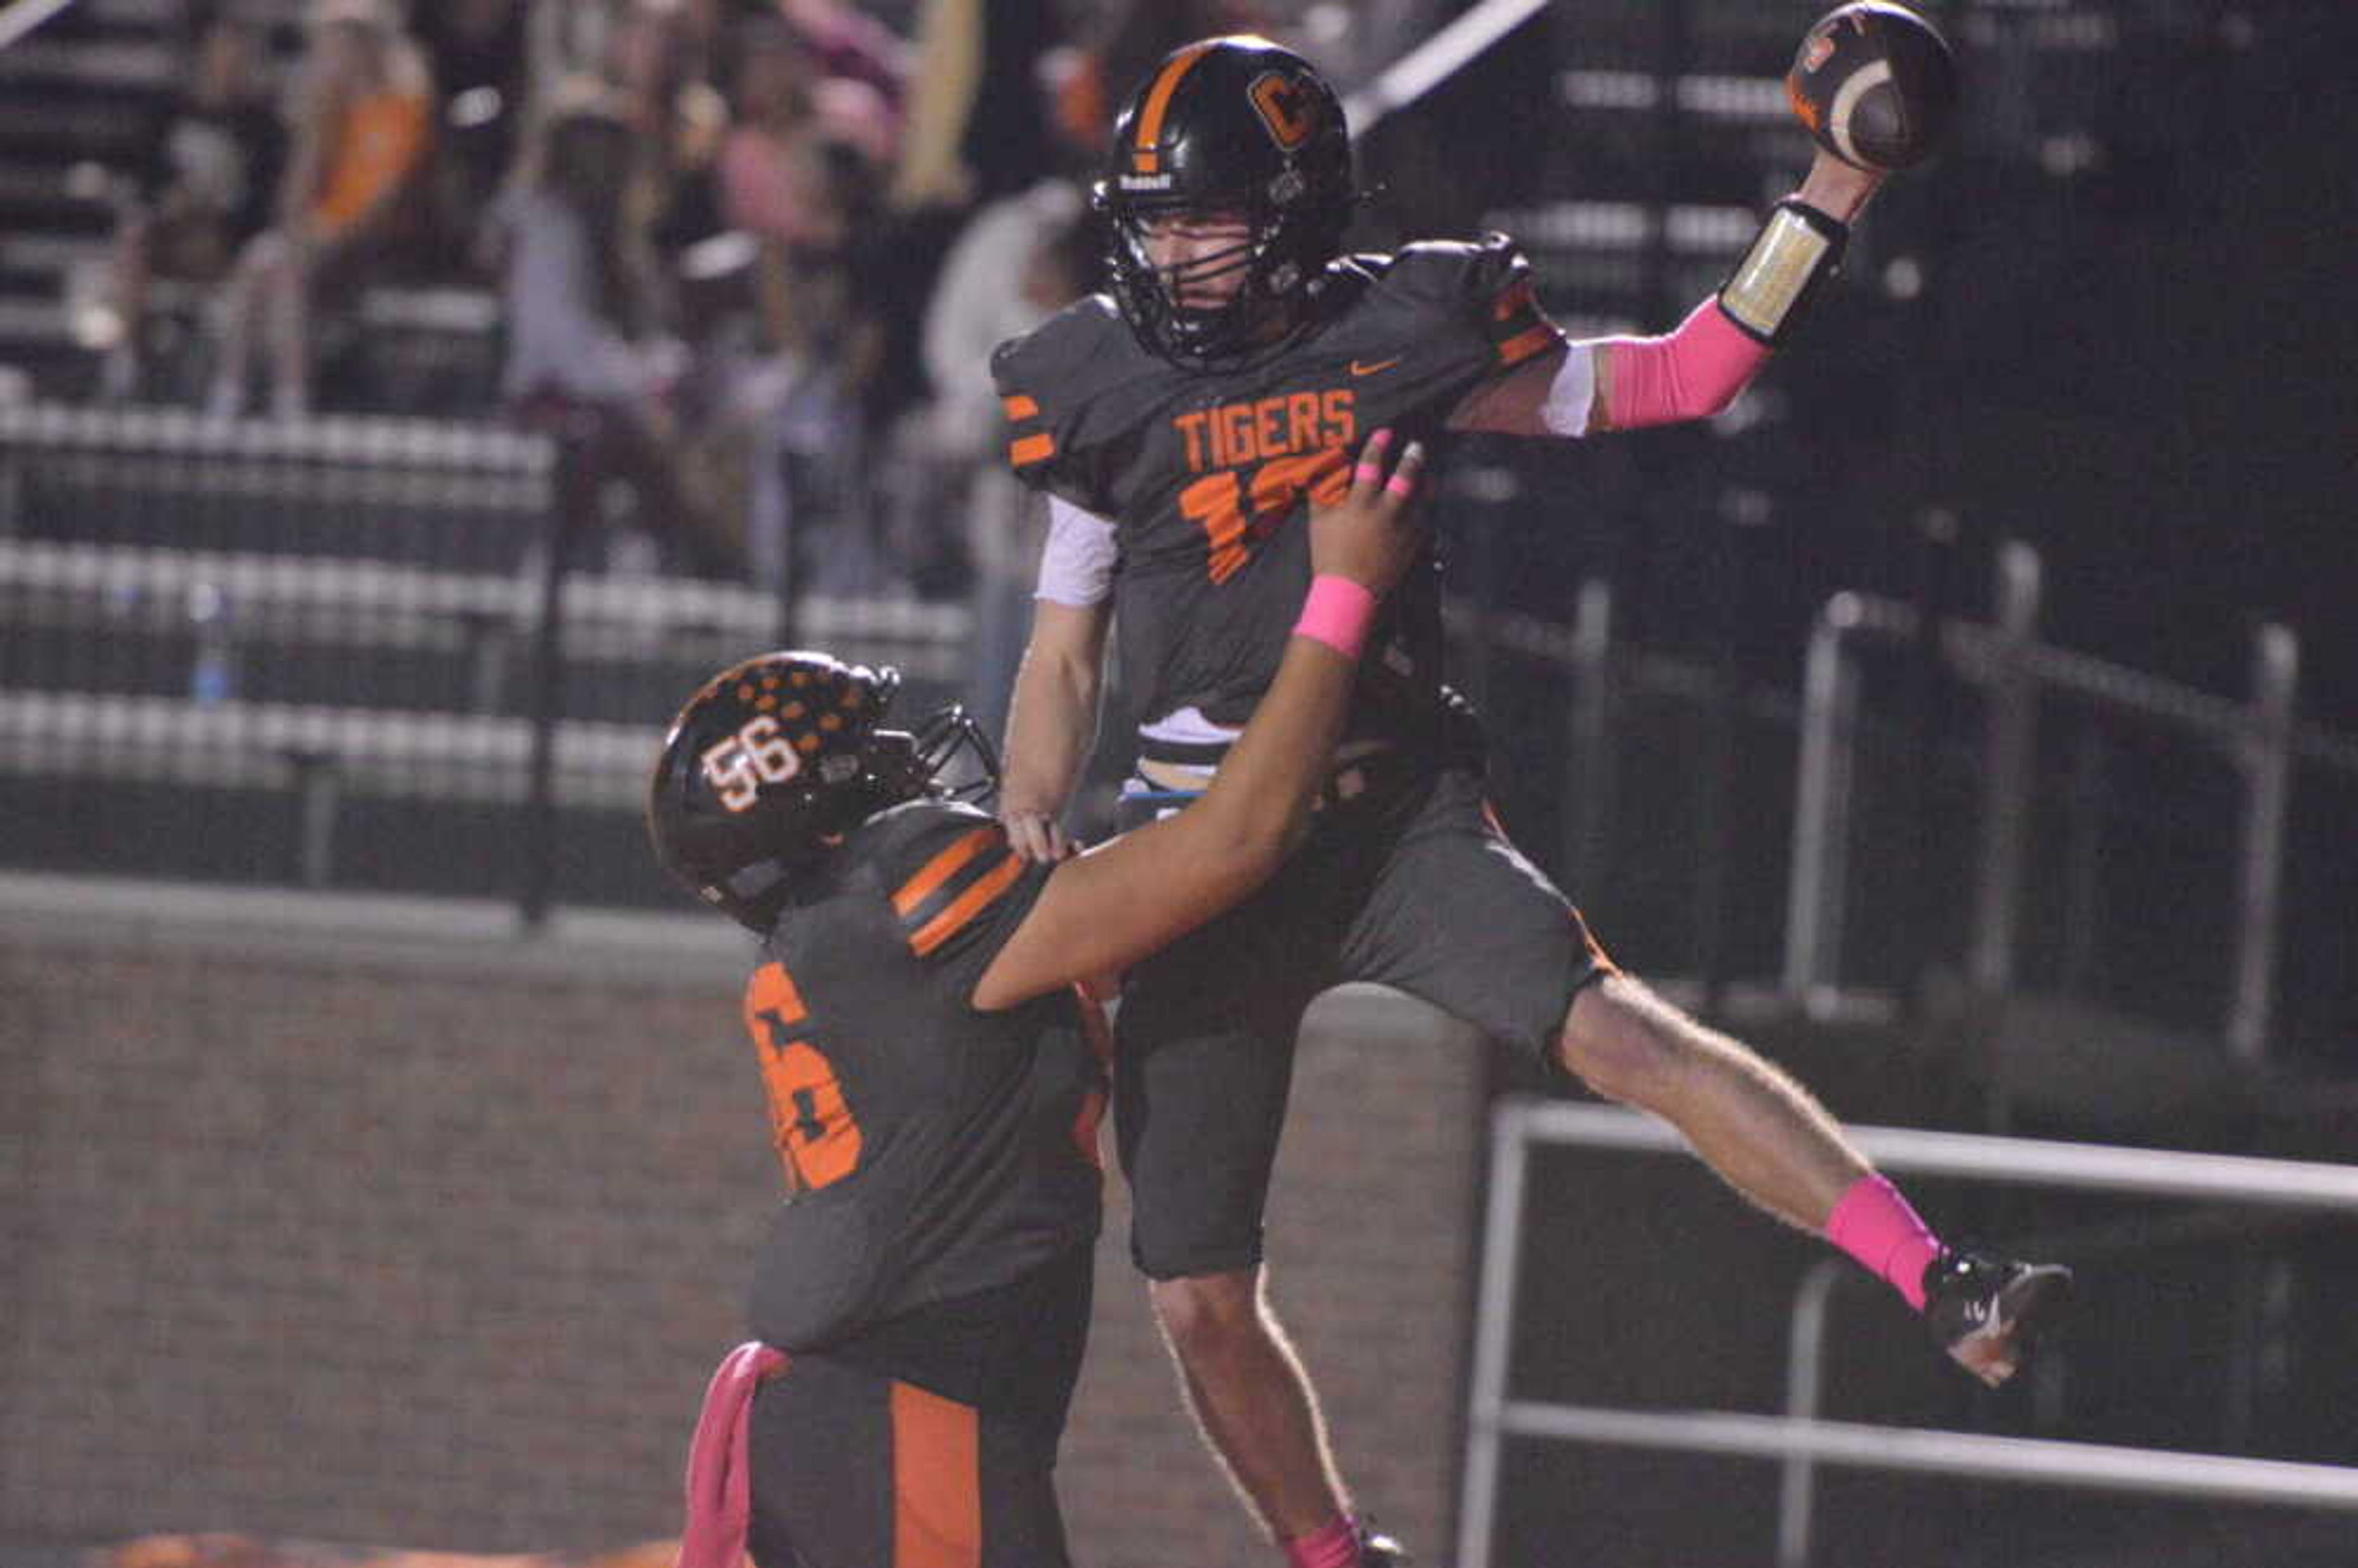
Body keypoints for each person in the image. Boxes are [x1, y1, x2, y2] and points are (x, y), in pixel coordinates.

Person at [987, 32, 2074, 1568]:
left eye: (1203, 218)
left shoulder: (1402, 325)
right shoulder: (1088, 376)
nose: (1169, 249)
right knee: (1191, 1290)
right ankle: (1326, 1549)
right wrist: (1034, 812)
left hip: (1381, 814)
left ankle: (1936, 1270)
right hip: (1193, 853)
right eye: (1151, 219)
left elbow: (1688, 371)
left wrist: (1832, 184)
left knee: (1626, 1033)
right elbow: (1060, 645)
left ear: (1293, 211)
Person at [649, 432, 1430, 1568]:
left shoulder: (851, 940)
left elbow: (1149, 925)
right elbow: (1234, 841)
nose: (910, 759)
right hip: (901, 1405)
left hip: (877, 1408)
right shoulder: (902, 881)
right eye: (872, 750)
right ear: (823, 813)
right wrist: (1343, 594)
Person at [204, 0, 434, 419]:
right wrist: (314, 133)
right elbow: (292, 204)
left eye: (342, 44)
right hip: (318, 240)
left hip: (377, 243)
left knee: (282, 265)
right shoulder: (325, 114)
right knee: (263, 260)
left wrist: (331, 235)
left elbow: (391, 196)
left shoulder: (402, 106)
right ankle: (235, 392)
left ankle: (286, 398)